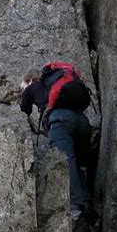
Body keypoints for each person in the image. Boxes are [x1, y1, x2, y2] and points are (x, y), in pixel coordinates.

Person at [20, 67, 93, 218]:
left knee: (65, 162)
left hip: (61, 122)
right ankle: (87, 205)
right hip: (82, 122)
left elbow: (23, 110)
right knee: (79, 163)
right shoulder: (60, 85)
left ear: (30, 80)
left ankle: (74, 206)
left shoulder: (33, 86)